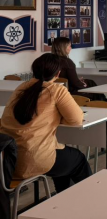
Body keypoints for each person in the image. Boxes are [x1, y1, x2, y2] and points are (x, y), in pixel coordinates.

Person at [0, 54, 92, 192]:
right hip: (32, 159)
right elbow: (76, 119)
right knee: (78, 159)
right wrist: (58, 117)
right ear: (58, 73)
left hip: (7, 160)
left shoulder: (21, 88)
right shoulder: (56, 90)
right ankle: (86, 197)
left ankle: (62, 198)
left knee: (63, 156)